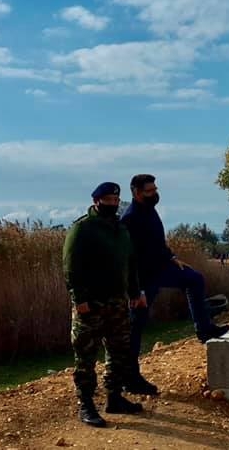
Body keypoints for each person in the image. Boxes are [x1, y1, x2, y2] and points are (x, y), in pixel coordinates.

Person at [121, 173, 229, 396]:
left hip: (162, 268)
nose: (154, 193)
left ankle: (204, 330)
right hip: (143, 278)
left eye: (155, 189)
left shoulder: (149, 210)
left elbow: (157, 242)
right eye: (149, 190)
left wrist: (171, 257)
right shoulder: (130, 219)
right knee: (136, 325)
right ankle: (129, 377)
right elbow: (128, 258)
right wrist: (136, 289)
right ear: (136, 192)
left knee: (194, 279)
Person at [63, 182, 144, 427]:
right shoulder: (82, 229)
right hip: (91, 304)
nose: (112, 204)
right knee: (86, 355)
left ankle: (114, 398)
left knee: (118, 350)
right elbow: (71, 266)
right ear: (97, 201)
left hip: (118, 303)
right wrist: (79, 299)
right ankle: (86, 404)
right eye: (107, 200)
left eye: (115, 200)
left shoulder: (120, 230)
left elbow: (130, 262)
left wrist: (134, 291)